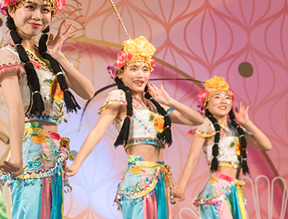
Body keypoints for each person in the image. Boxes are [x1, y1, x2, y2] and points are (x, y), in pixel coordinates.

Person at [0, 0, 94, 219]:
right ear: (12, 10)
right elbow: (15, 110)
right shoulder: (8, 54)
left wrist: (59, 56)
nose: (38, 15)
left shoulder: (47, 59)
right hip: (30, 149)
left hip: (52, 151)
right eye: (30, 7)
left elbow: (88, 92)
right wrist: (17, 157)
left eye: (45, 10)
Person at [66, 36, 204, 218]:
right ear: (120, 74)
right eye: (134, 69)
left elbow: (197, 120)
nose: (140, 75)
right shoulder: (119, 97)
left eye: (145, 69)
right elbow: (97, 131)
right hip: (139, 177)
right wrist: (77, 164)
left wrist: (170, 101)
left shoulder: (155, 105)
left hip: (159, 177)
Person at [173, 76, 272, 218]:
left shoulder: (235, 129)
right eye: (217, 97)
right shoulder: (206, 125)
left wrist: (247, 123)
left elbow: (266, 145)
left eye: (227, 97)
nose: (223, 101)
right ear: (206, 104)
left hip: (234, 189)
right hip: (217, 190)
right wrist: (181, 188)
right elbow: (192, 158)